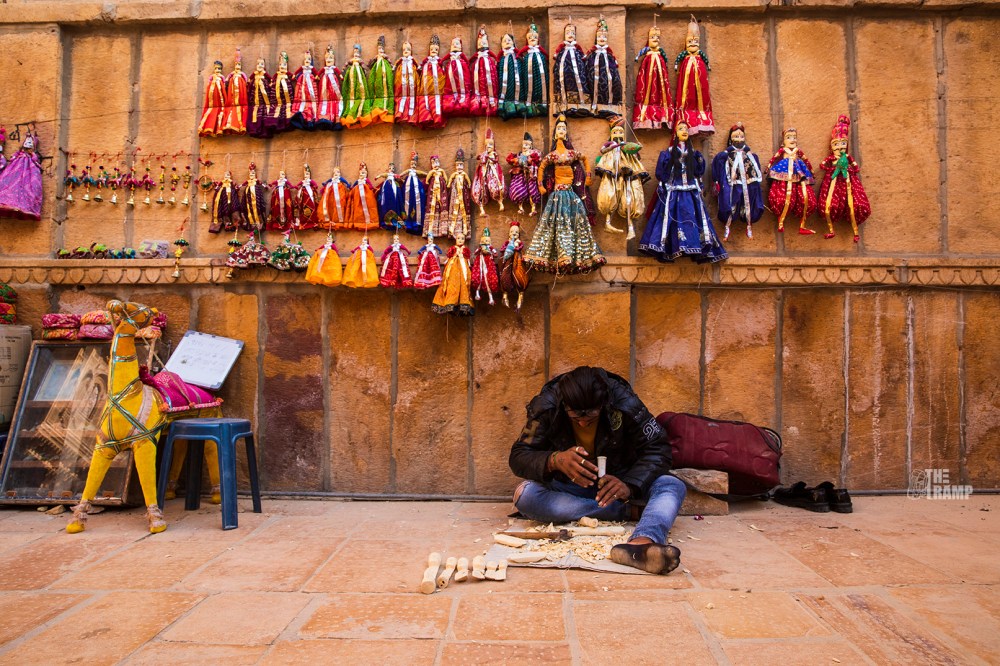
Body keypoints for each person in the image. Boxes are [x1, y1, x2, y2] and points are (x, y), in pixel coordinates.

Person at [509, 366, 686, 575]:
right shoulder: (547, 406)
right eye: (576, 419)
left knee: (672, 485)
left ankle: (642, 543)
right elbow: (519, 455)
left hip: (617, 486)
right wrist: (554, 460)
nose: (583, 423)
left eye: (590, 418)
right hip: (570, 489)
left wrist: (629, 484)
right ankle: (627, 513)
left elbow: (659, 448)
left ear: (604, 405)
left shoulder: (625, 403)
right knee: (525, 495)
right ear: (564, 406)